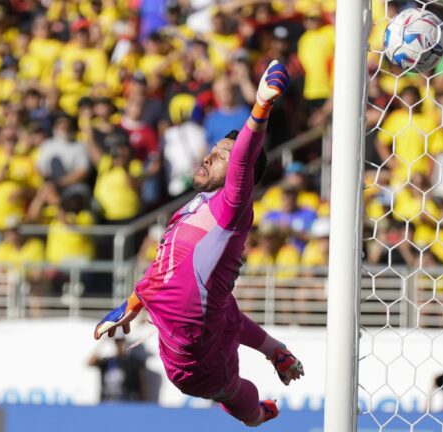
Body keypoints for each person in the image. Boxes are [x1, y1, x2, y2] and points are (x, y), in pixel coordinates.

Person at [94, 61, 302, 426]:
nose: (210, 155)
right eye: (214, 149)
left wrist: (260, 109)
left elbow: (242, 159)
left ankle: (253, 414)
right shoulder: (192, 208)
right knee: (223, 309)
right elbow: (165, 267)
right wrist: (132, 303)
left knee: (238, 393)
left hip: (197, 363)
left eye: (222, 155)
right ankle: (276, 350)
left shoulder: (232, 206)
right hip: (197, 325)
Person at [88, 330, 149, 402]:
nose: (120, 344)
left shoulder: (134, 362)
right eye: (117, 341)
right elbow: (90, 363)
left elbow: (143, 385)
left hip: (127, 403)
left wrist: (143, 406)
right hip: (107, 403)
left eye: (121, 341)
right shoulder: (107, 361)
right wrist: (103, 342)